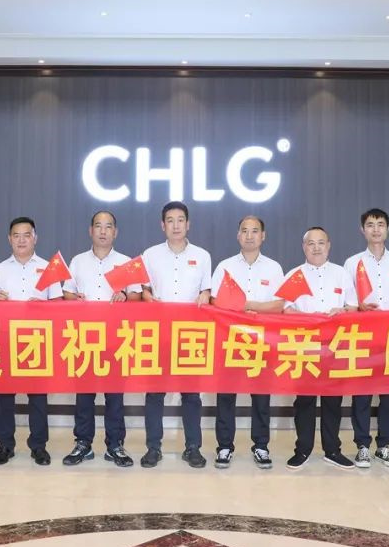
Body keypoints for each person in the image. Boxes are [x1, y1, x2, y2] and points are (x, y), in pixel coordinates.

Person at [61, 211, 142, 468]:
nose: (103, 231)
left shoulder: (125, 262)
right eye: (98, 226)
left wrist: (125, 297)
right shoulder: (78, 261)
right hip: (84, 336)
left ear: (115, 232)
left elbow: (137, 296)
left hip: (116, 338)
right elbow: (67, 294)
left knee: (114, 396)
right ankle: (83, 443)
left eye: (108, 227)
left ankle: (115, 445)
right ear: (91, 231)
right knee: (84, 395)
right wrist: (75, 299)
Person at [0, 217, 63, 466]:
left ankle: (38, 446)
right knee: (4, 397)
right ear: (9, 239)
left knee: (38, 398)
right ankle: (5, 445)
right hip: (6, 340)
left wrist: (45, 306)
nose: (21, 240)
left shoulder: (48, 268)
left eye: (26, 235)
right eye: (16, 235)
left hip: (36, 340)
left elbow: (59, 305)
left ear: (35, 238)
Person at [140, 201, 212, 468]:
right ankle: (153, 447)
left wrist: (205, 295)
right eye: (170, 220)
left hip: (191, 332)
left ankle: (193, 447)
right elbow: (144, 290)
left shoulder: (202, 256)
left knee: (191, 394)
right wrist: (148, 298)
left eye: (180, 220)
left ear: (188, 224)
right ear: (163, 225)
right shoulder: (150, 255)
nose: (176, 225)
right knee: (155, 393)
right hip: (159, 331)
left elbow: (207, 290)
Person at [210, 216, 284, 469]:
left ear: (263, 236)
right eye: (244, 231)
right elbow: (215, 301)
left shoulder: (273, 268)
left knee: (261, 396)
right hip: (230, 338)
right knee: (225, 395)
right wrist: (240, 310)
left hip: (264, 339)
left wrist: (247, 306)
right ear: (238, 235)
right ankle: (224, 446)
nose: (249, 235)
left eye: (255, 231)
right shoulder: (225, 267)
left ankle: (261, 445)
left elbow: (279, 305)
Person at [282, 227, 357, 470]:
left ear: (328, 245)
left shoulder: (341, 274)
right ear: (304, 247)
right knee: (304, 400)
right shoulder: (295, 275)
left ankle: (332, 450)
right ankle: (302, 449)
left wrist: (342, 311)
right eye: (311, 243)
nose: (316, 248)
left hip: (335, 346)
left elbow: (353, 307)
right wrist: (304, 317)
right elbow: (285, 309)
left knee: (333, 401)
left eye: (320, 243)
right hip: (305, 345)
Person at [342, 208, 389, 468]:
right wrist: (359, 307)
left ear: (388, 229)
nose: (376, 229)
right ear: (362, 230)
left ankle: (384, 446)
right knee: (361, 395)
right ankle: (362, 446)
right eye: (370, 224)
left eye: (380, 224)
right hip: (363, 336)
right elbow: (347, 302)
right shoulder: (352, 263)